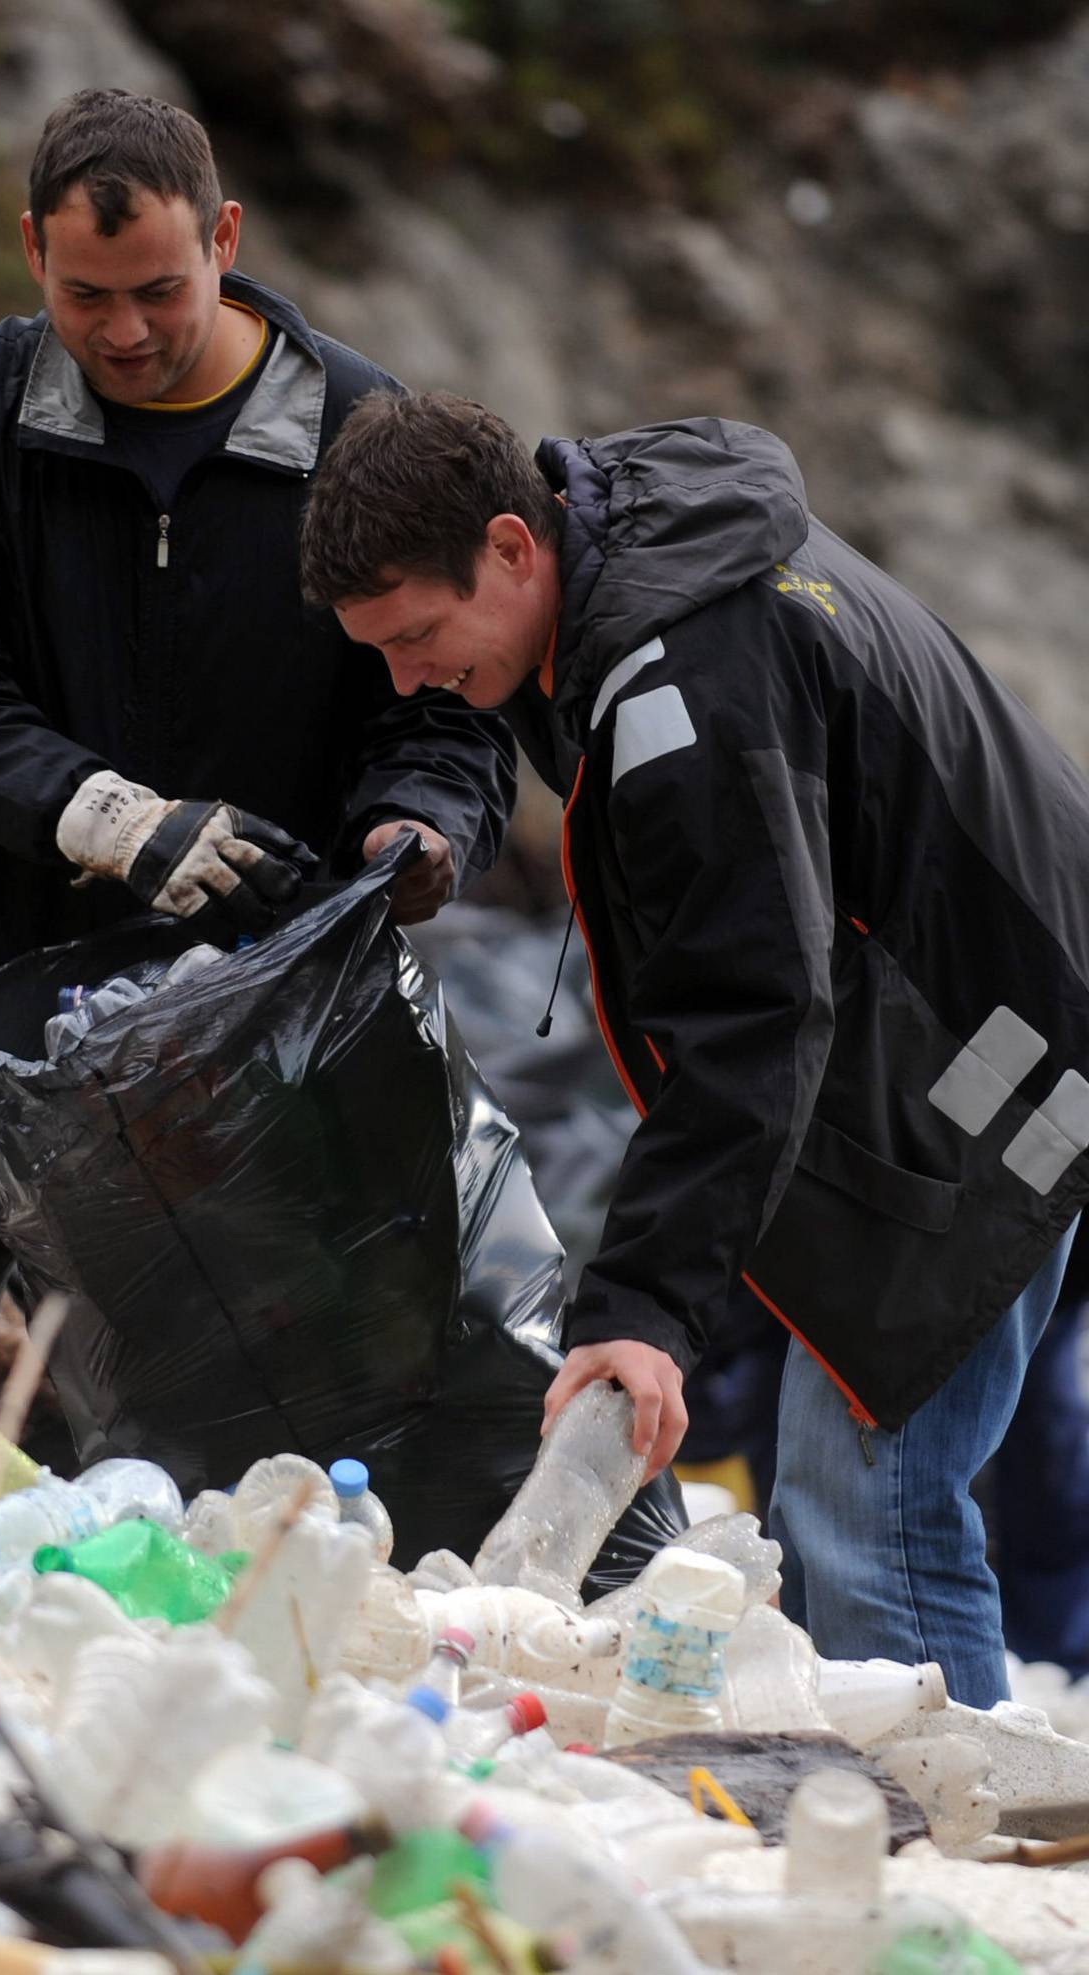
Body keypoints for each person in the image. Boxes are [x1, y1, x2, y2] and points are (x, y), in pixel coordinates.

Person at [0, 90, 516, 1441]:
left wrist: (421, 822)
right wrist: (103, 815)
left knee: (199, 1435)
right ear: (32, 249)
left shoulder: (352, 423)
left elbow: (444, 700)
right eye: (85, 294)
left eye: (160, 289)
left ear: (223, 235)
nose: (125, 332)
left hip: (228, 1028)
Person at [298, 390, 1089, 1704]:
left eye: (419, 636)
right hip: (961, 1033)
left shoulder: (690, 687)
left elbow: (751, 1009)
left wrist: (642, 1311)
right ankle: (914, 1821)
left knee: (873, 1506)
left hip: (993, 1073)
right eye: (377, 651)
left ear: (508, 544)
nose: (407, 677)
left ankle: (937, 1855)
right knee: (854, 1483)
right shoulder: (641, 552)